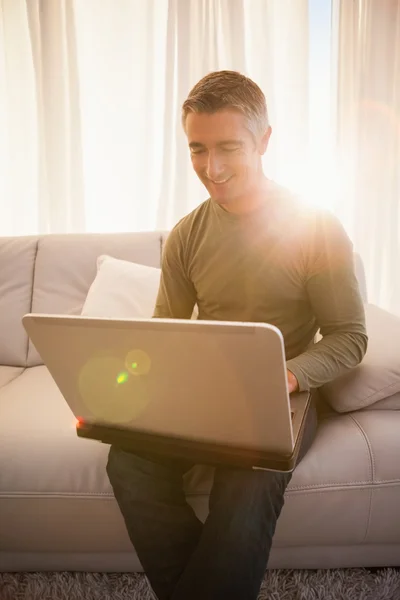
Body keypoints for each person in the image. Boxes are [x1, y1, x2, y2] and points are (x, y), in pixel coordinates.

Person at [106, 70, 368, 600]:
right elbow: (169, 332)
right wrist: (134, 382)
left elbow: (348, 336)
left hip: (283, 392)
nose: (212, 168)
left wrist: (290, 376)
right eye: (197, 149)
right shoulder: (186, 234)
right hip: (205, 388)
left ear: (264, 140)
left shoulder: (315, 227)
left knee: (249, 476)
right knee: (127, 459)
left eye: (229, 148)